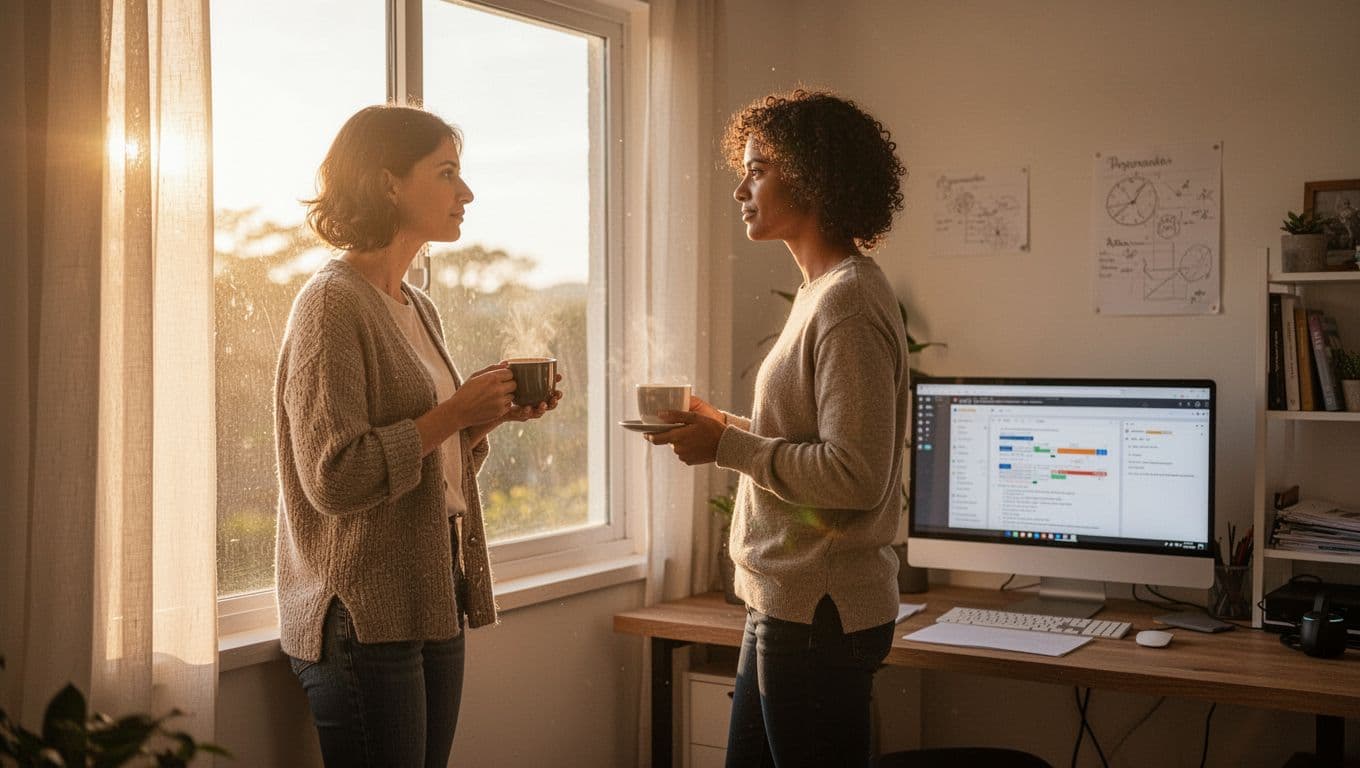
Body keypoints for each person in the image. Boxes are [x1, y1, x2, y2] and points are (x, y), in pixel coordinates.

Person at [274, 104, 562, 768]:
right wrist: (451, 416)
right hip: (362, 615)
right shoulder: (330, 303)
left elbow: (430, 459)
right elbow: (334, 478)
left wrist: (484, 417)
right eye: (447, 173)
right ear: (388, 184)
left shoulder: (416, 304)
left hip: (432, 597)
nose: (466, 193)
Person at [649, 89, 910, 767]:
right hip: (788, 605)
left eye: (758, 169)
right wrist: (721, 425)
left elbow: (854, 474)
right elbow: (802, 435)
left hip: (821, 615)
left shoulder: (848, 300)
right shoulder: (821, 291)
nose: (741, 188)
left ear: (811, 175)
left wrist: (727, 447)